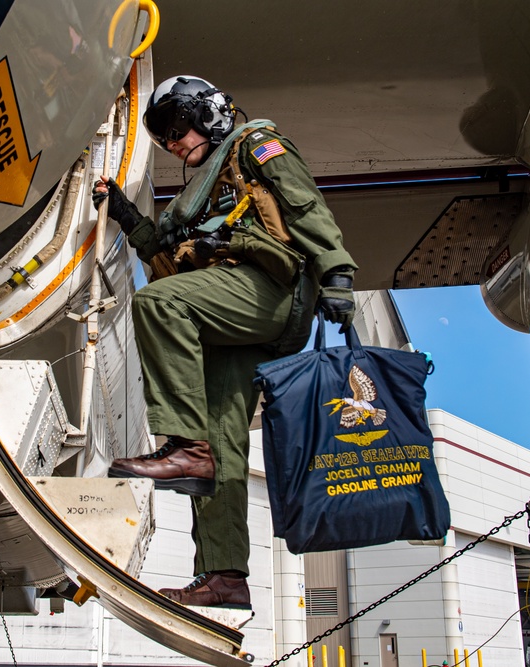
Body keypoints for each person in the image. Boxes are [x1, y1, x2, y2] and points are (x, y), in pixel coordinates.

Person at [92, 75, 357, 608]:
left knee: (159, 304)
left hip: (270, 291)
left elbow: (304, 207)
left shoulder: (254, 146)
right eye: (164, 137)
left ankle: (184, 449)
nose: (173, 143)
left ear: (206, 114)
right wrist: (124, 213)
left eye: (177, 128)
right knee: (221, 442)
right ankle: (224, 576)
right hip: (233, 313)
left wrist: (337, 275)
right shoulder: (205, 190)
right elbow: (170, 253)